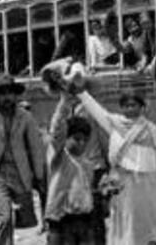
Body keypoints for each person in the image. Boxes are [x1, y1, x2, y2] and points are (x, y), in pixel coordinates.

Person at [73, 86, 156, 245]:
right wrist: (82, 93)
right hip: (124, 183)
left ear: (142, 107)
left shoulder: (152, 130)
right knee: (125, 220)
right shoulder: (114, 124)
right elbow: (96, 110)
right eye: (126, 105)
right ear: (121, 108)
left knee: (151, 221)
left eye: (133, 105)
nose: (130, 109)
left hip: (150, 184)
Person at [0, 75, 47, 245]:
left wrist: (38, 175)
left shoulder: (25, 117)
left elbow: (35, 147)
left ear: (15, 96)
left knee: (24, 219)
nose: (6, 98)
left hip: (20, 173)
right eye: (2, 94)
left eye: (10, 93)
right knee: (5, 217)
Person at [44, 93, 97, 245]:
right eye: (76, 139)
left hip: (84, 219)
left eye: (85, 140)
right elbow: (56, 129)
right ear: (65, 138)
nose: (81, 143)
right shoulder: (58, 158)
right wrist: (64, 102)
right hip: (61, 219)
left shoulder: (88, 164)